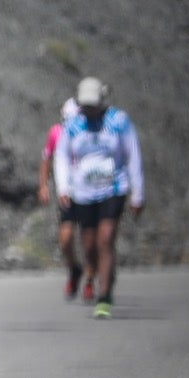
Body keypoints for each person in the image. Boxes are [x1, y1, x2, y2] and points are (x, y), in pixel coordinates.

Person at [53, 76, 144, 319]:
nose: (89, 111)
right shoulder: (73, 125)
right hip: (83, 193)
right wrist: (63, 188)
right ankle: (98, 272)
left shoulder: (118, 121)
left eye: (92, 106)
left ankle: (105, 295)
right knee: (90, 244)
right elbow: (60, 156)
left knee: (106, 238)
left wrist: (138, 193)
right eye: (85, 106)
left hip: (113, 189)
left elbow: (132, 155)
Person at [39, 96, 98, 301]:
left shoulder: (91, 132)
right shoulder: (56, 133)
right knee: (65, 238)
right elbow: (47, 159)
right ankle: (74, 269)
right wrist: (44, 186)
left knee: (89, 239)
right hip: (68, 193)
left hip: (90, 191)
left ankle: (90, 280)